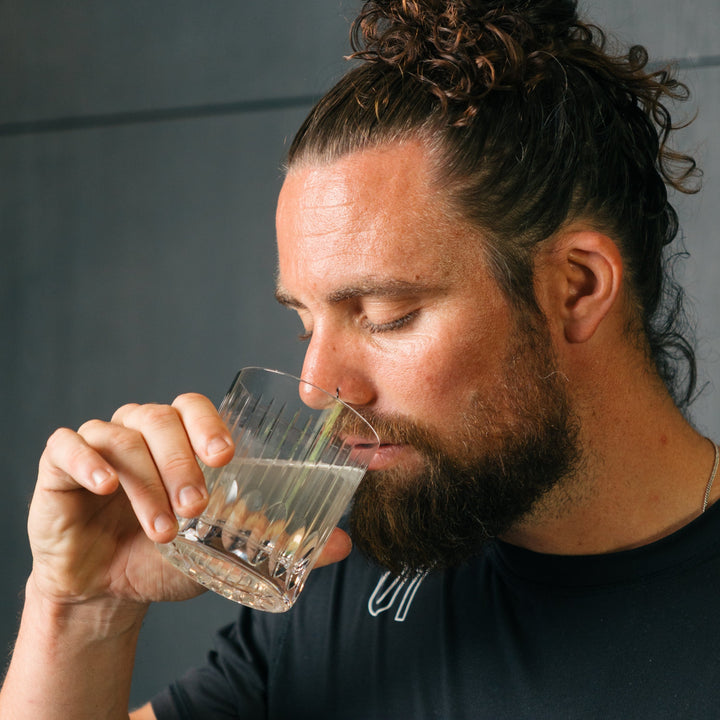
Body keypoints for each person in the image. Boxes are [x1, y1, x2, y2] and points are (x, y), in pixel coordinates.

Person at [0, 0, 716, 717]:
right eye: (305, 321)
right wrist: (82, 611)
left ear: (577, 288)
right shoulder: (347, 571)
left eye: (383, 316)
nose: (317, 387)